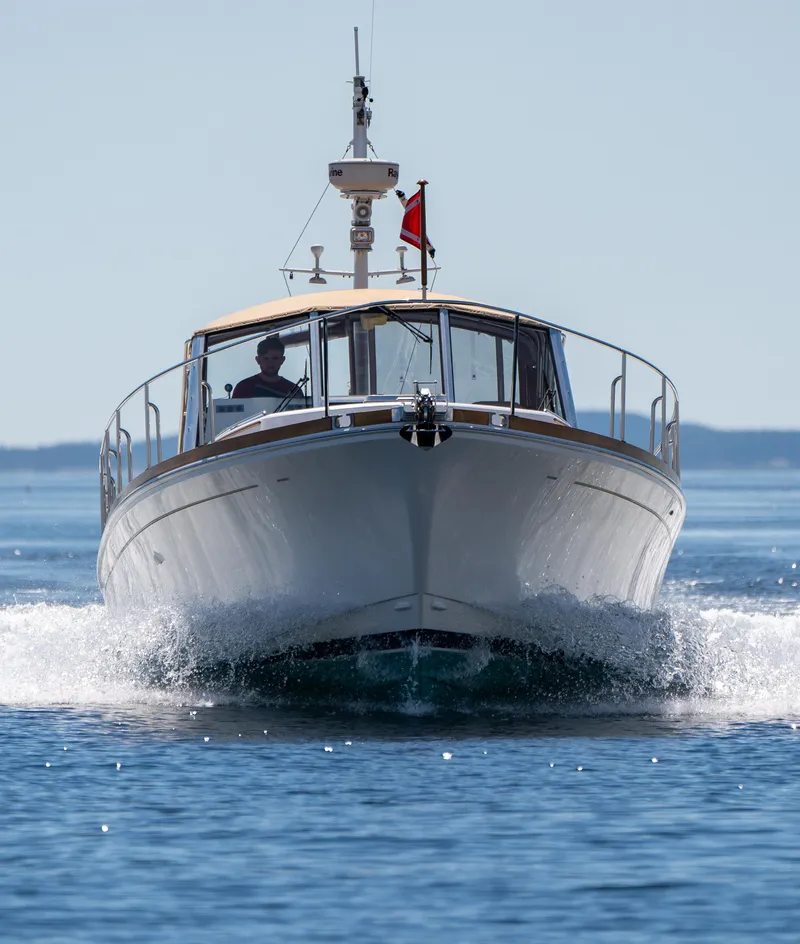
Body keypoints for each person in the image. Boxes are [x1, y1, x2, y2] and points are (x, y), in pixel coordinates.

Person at [232, 337, 298, 398]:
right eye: (266, 358)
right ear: (258, 360)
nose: (270, 363)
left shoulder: (294, 390)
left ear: (282, 360)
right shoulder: (243, 388)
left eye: (275, 358)